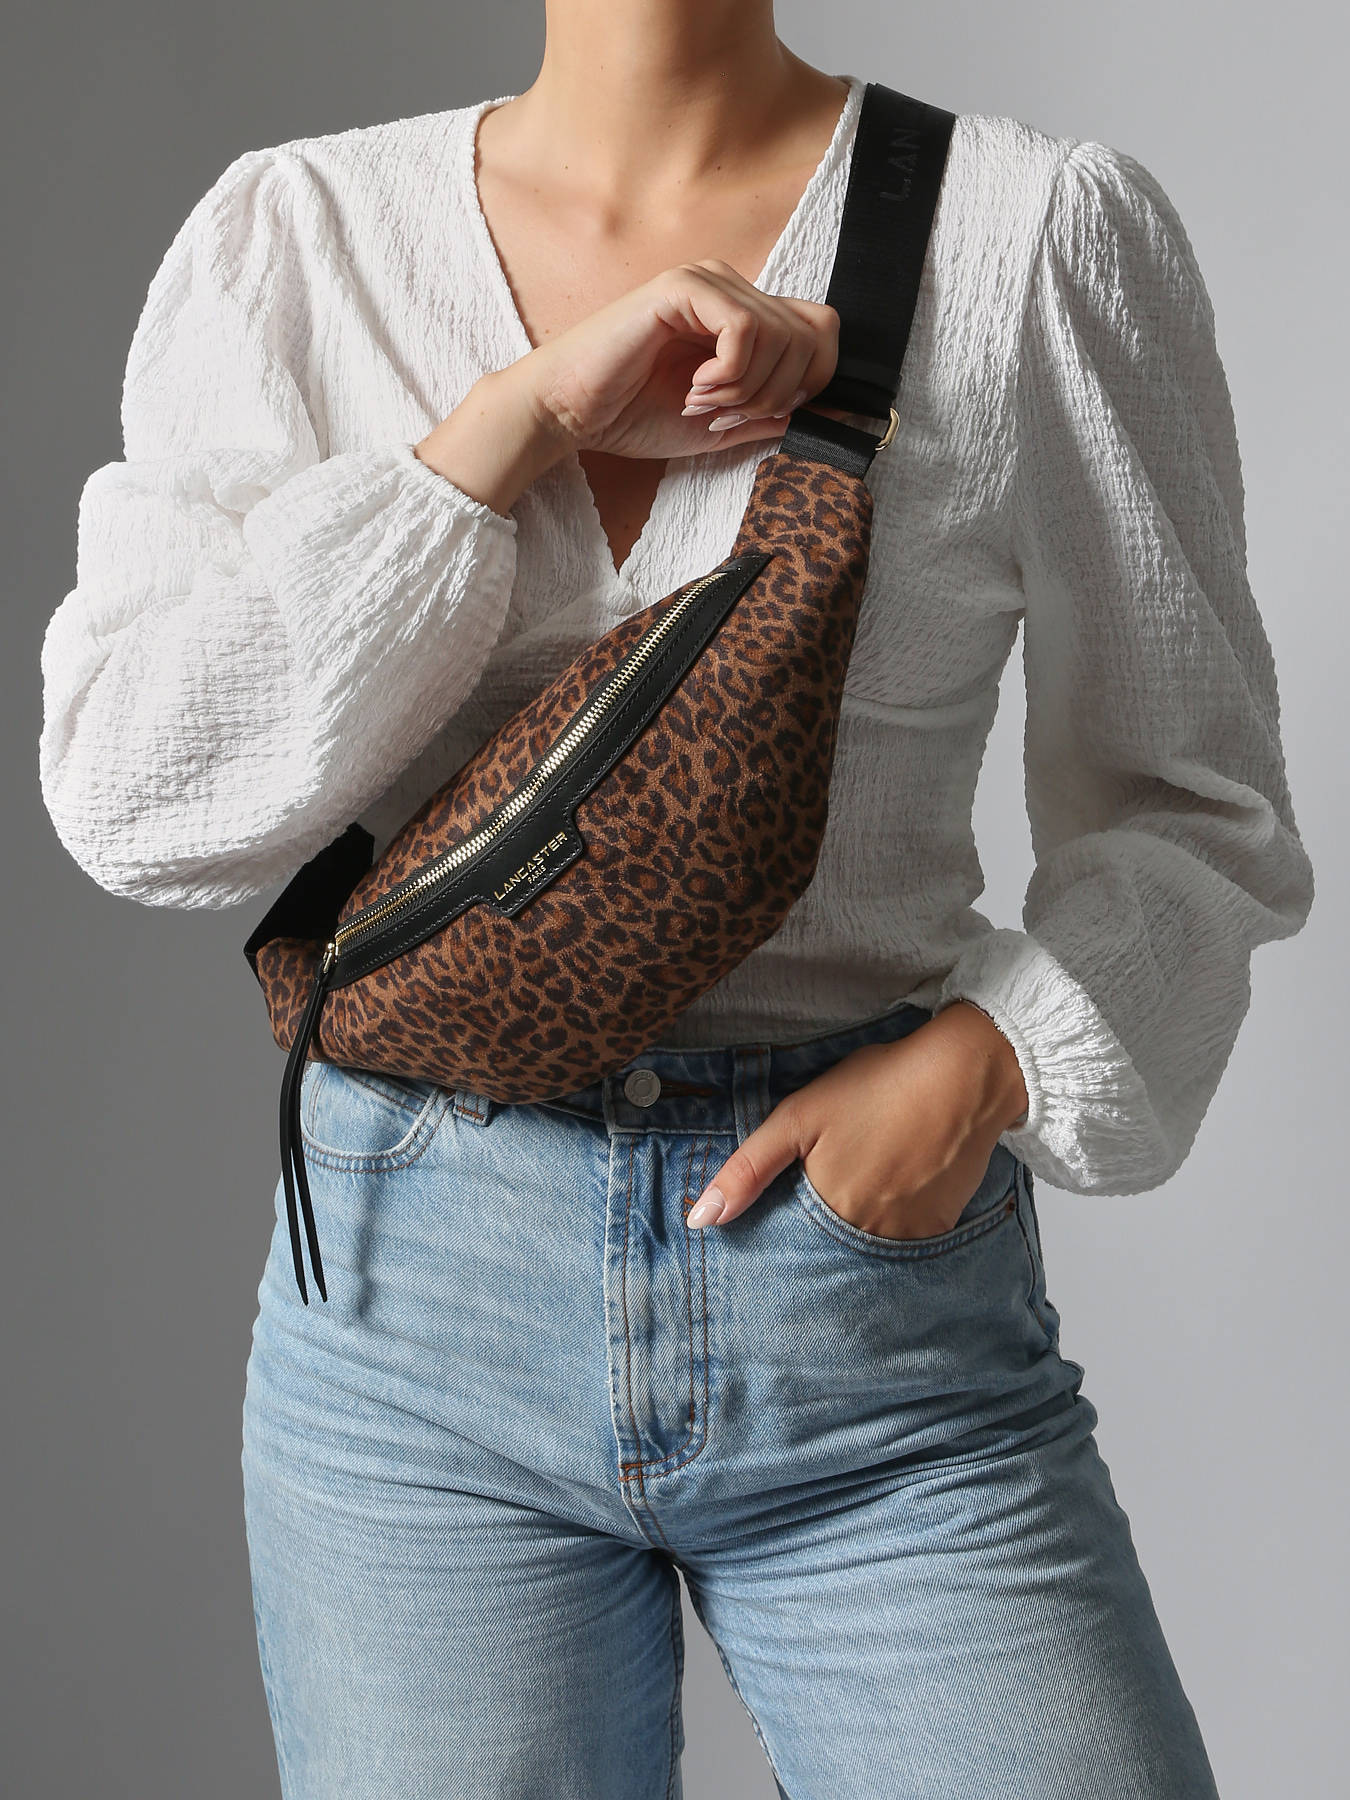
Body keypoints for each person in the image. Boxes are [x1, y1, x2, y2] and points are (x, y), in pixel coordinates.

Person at [37, 5, 1314, 1796]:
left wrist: (981, 1068)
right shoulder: (297, 237)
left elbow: (1196, 800)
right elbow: (138, 798)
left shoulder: (1029, 233)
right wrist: (512, 427)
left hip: (864, 1308)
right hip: (413, 1319)